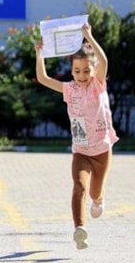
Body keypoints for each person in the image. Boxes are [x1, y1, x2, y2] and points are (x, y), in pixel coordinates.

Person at [35, 23, 118, 250]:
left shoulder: (98, 85)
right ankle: (79, 228)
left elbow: (104, 61)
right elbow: (42, 78)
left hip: (102, 149)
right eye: (77, 71)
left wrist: (88, 36)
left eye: (86, 71)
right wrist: (39, 53)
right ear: (71, 71)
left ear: (94, 70)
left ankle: (99, 199)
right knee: (79, 187)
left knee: (94, 192)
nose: (82, 76)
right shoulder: (69, 89)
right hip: (81, 150)